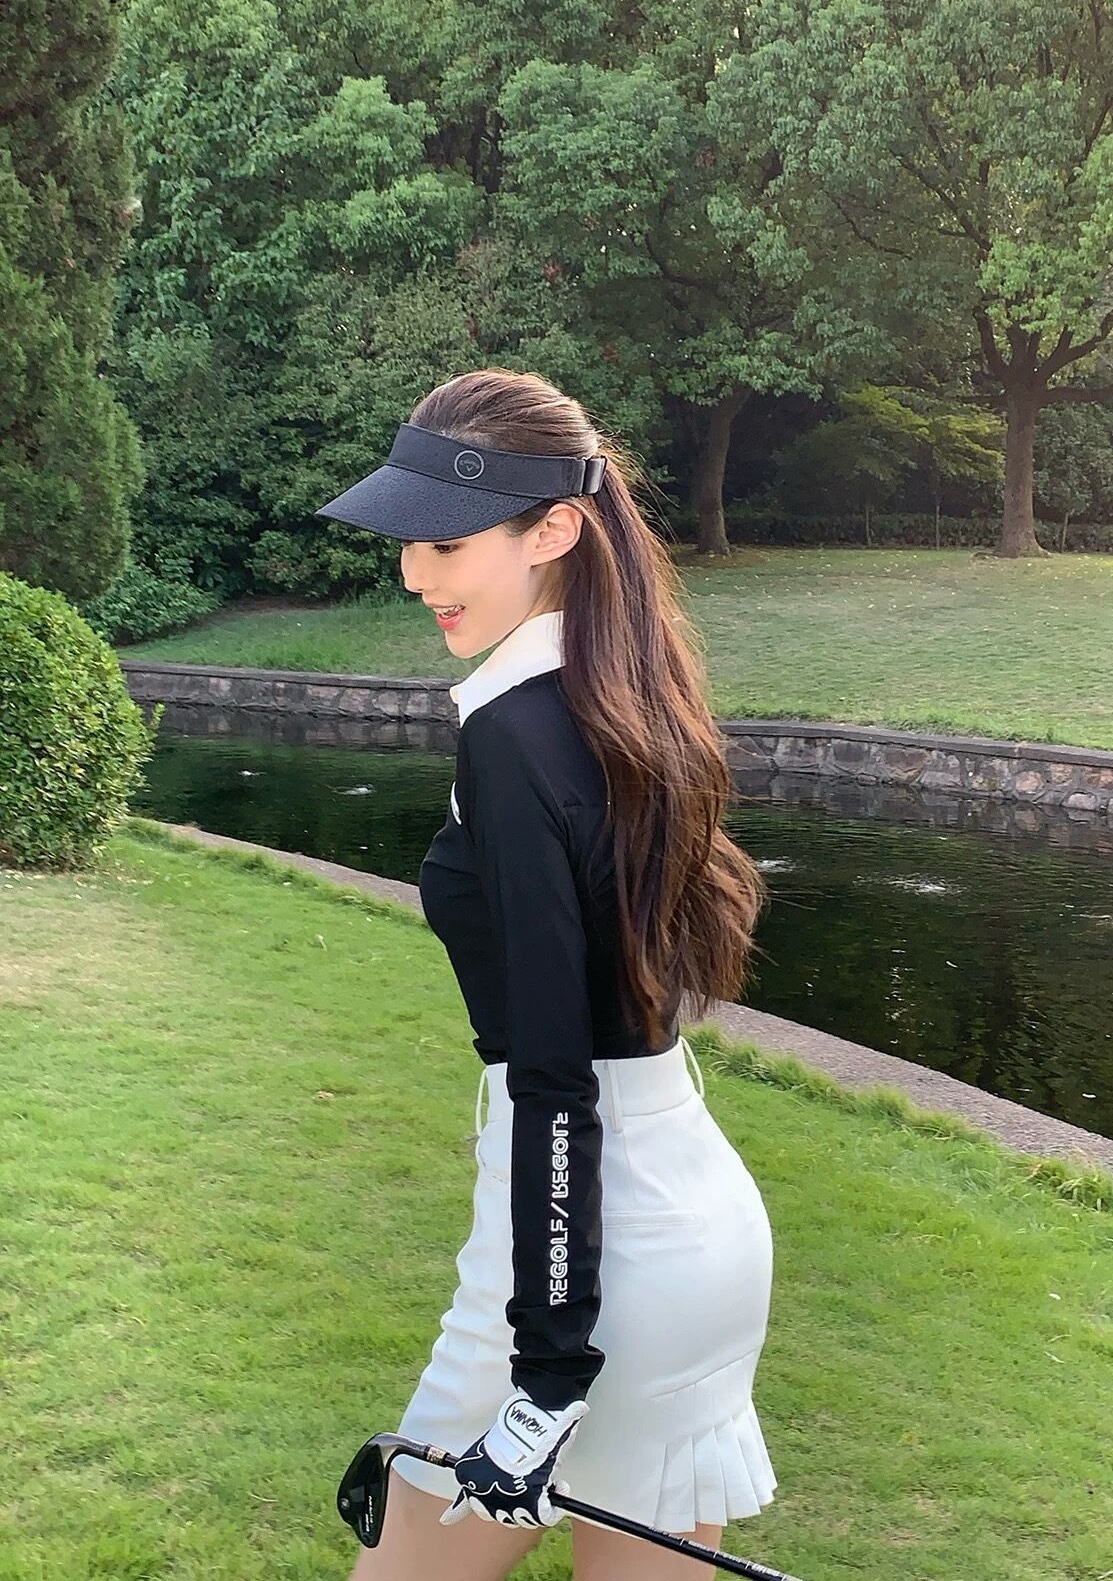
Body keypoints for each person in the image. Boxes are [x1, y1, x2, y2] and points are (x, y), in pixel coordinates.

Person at [313, 367, 778, 1580]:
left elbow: (554, 1078)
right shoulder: (624, 691)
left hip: (592, 1267)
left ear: (555, 529)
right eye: (410, 542)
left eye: (447, 543)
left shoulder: (516, 732)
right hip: (691, 1229)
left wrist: (551, 1369)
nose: (414, 574)